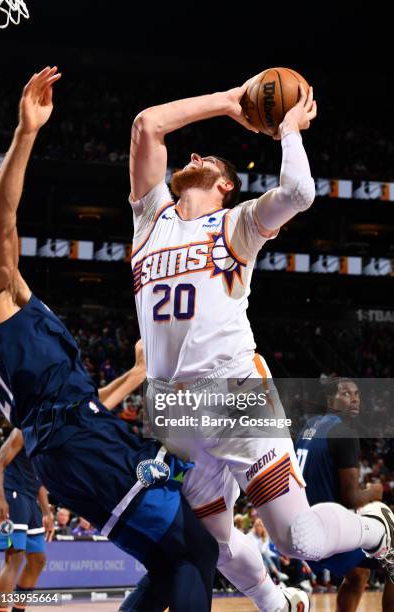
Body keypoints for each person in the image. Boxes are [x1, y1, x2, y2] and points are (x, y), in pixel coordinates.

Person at [129, 76, 394, 612]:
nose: (193, 151)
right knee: (215, 545)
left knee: (301, 540)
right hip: (173, 411)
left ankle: (377, 530)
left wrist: (289, 130)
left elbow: (298, 193)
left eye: (206, 158)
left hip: (235, 393)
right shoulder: (149, 220)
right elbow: (148, 124)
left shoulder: (236, 225)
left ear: (225, 185)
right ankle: (283, 605)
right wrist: (229, 102)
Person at [0, 66, 218, 612]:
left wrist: (137, 374)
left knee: (167, 566)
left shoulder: (12, 301)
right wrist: (26, 133)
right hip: (81, 445)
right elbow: (0, 223)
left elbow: (6, 232)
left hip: (68, 448)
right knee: (197, 554)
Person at [295, 377, 394, 612]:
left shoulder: (308, 428)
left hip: (302, 527)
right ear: (331, 400)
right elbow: (350, 499)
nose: (354, 398)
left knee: (358, 574)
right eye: (346, 393)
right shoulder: (344, 433)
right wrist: (376, 491)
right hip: (328, 532)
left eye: (357, 393)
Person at [0, 428, 54, 612]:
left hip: (30, 499)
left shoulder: (47, 440)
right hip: (12, 496)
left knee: (38, 560)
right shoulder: (22, 430)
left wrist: (46, 512)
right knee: (14, 558)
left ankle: (18, 610)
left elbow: (40, 481)